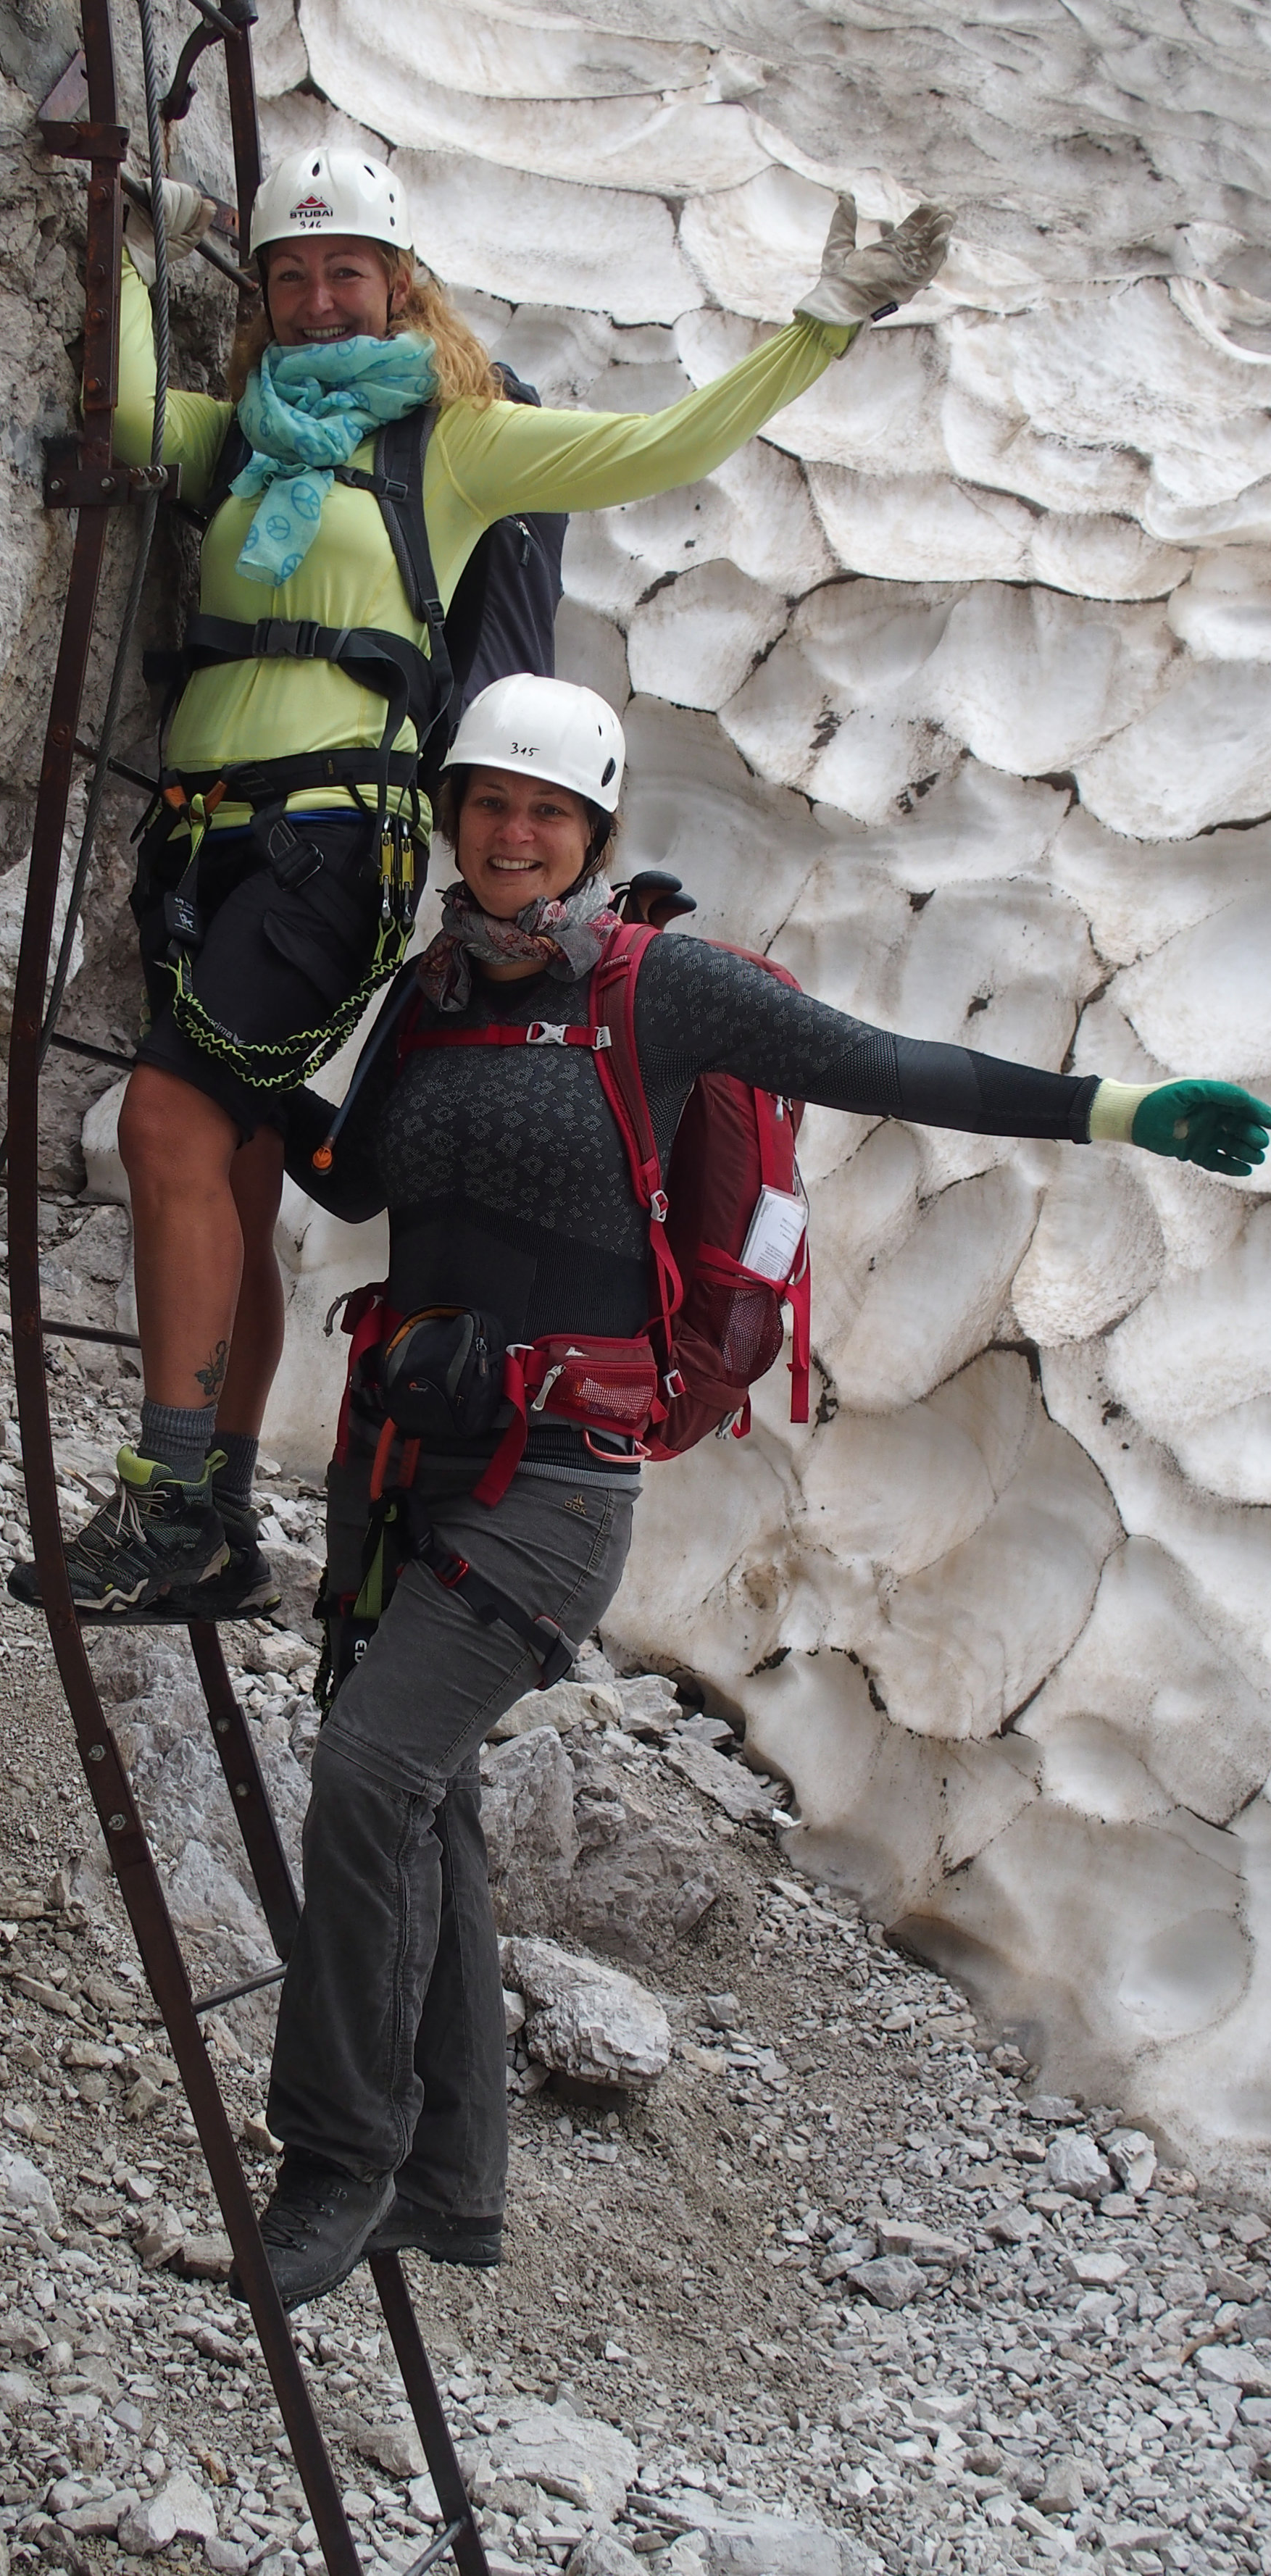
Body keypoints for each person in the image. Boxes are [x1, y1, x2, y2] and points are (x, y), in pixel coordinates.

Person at [242, 672, 1271, 2307]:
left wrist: (1125, 1106)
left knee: (367, 1770)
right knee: (414, 1792)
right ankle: (448, 2181)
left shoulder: (663, 992)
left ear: (589, 834)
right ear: (456, 817)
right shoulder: (431, 994)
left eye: (547, 809)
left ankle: (336, 2156)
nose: (515, 831)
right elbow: (357, 1174)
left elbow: (887, 1065)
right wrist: (225, 1070)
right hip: (403, 1456)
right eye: (491, 800)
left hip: (556, 1483)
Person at [9, 157, 955, 1622]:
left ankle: (173, 1495)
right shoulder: (246, 444)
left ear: (399, 284)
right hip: (205, 843)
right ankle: (229, 1521)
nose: (320, 302)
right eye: (290, 277)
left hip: (331, 844)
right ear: (259, 300)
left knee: (165, 1123)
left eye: (348, 271)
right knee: (237, 1163)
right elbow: (128, 410)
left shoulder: (453, 446)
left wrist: (823, 321)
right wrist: (125, 233)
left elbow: (662, 441)